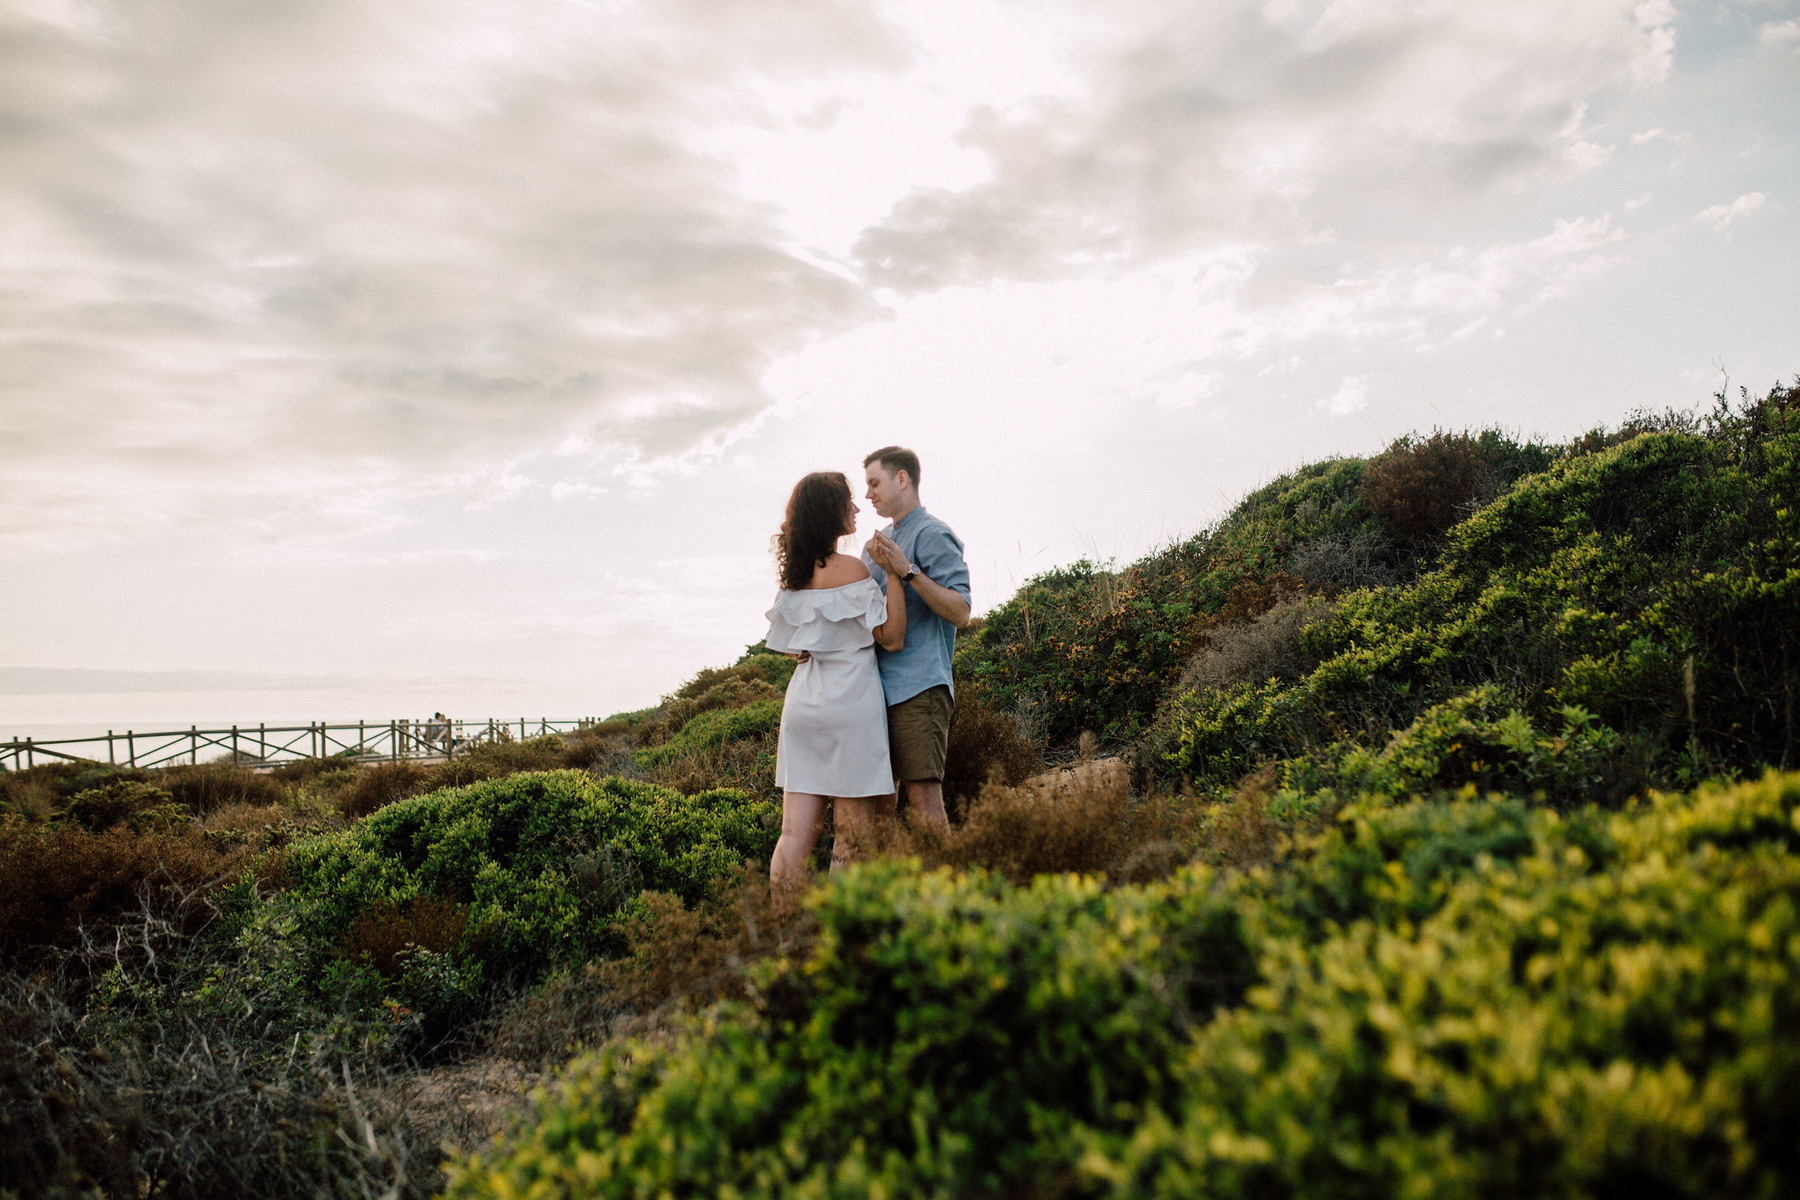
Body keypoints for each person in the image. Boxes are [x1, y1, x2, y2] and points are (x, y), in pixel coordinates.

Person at [764, 471, 908, 893]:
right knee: (850, 838)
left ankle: (782, 934)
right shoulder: (854, 570)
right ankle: (836, 937)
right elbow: (893, 638)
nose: (857, 508)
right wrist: (894, 574)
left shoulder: (795, 577)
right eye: (849, 501)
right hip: (851, 706)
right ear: (831, 512)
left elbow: (793, 645)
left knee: (793, 836)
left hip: (804, 706)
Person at [860, 446, 972, 829]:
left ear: (902, 478)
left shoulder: (933, 534)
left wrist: (907, 571)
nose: (868, 494)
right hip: (874, 693)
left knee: (924, 802)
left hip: (919, 688)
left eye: (875, 483)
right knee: (878, 807)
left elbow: (960, 612)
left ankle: (946, 888)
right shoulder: (873, 545)